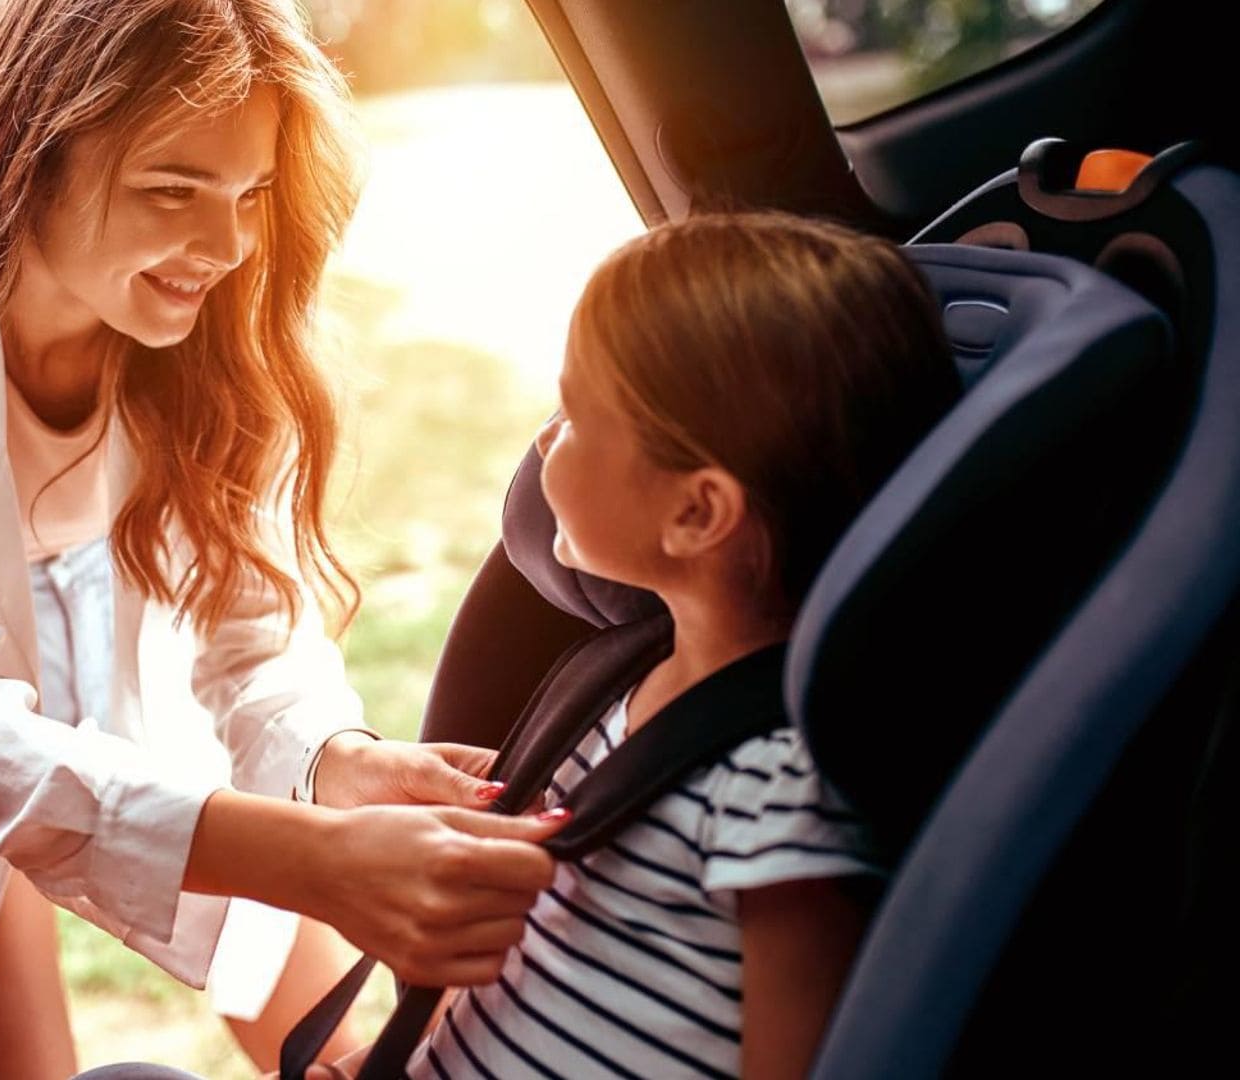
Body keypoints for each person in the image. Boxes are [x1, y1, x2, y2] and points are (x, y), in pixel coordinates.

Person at [0, 1, 567, 1077]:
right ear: (27, 155)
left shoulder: (224, 338)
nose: (226, 248)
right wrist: (313, 862)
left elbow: (252, 632)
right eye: (173, 190)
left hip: (144, 626)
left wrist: (337, 765)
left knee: (344, 1053)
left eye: (250, 194)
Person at [298, 212, 962, 1079]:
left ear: (696, 512)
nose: (544, 437)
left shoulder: (780, 793)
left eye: (574, 414)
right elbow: (516, 957)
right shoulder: (612, 682)